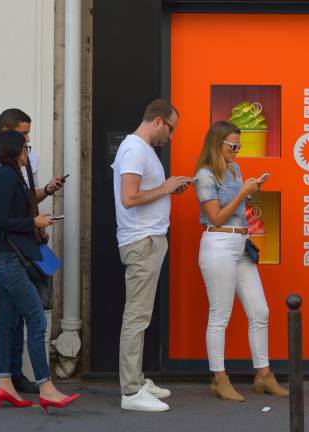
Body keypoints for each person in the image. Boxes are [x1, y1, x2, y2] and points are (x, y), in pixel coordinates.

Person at [0, 108, 64, 400]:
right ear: (9, 138)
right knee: (23, 315)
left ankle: (7, 379)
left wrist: (44, 197)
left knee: (10, 317)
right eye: (24, 137)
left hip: (16, 247)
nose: (28, 142)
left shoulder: (19, 169)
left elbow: (25, 201)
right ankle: (1, 377)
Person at [0, 131, 77, 414]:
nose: (28, 151)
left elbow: (4, 218)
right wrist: (32, 221)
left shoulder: (9, 175)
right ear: (15, 151)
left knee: (8, 321)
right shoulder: (7, 177)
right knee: (36, 318)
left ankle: (5, 384)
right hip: (7, 259)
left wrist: (34, 220)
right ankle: (46, 388)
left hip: (5, 256)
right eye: (25, 146)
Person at [194, 121, 287, 401]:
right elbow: (217, 217)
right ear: (216, 144)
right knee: (220, 315)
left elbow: (234, 211)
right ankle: (219, 378)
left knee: (260, 311)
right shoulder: (204, 175)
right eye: (232, 145)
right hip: (218, 242)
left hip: (240, 244)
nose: (237, 150)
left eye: (239, 145)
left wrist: (248, 191)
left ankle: (263, 374)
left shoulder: (235, 170)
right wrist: (243, 194)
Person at [113, 99, 191, 412]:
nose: (171, 136)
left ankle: (137, 380)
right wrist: (167, 187)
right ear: (158, 121)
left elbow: (138, 194)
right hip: (141, 241)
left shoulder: (139, 149)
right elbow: (129, 198)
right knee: (136, 317)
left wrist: (169, 189)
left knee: (139, 316)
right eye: (171, 129)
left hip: (145, 240)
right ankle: (131, 391)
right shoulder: (135, 148)